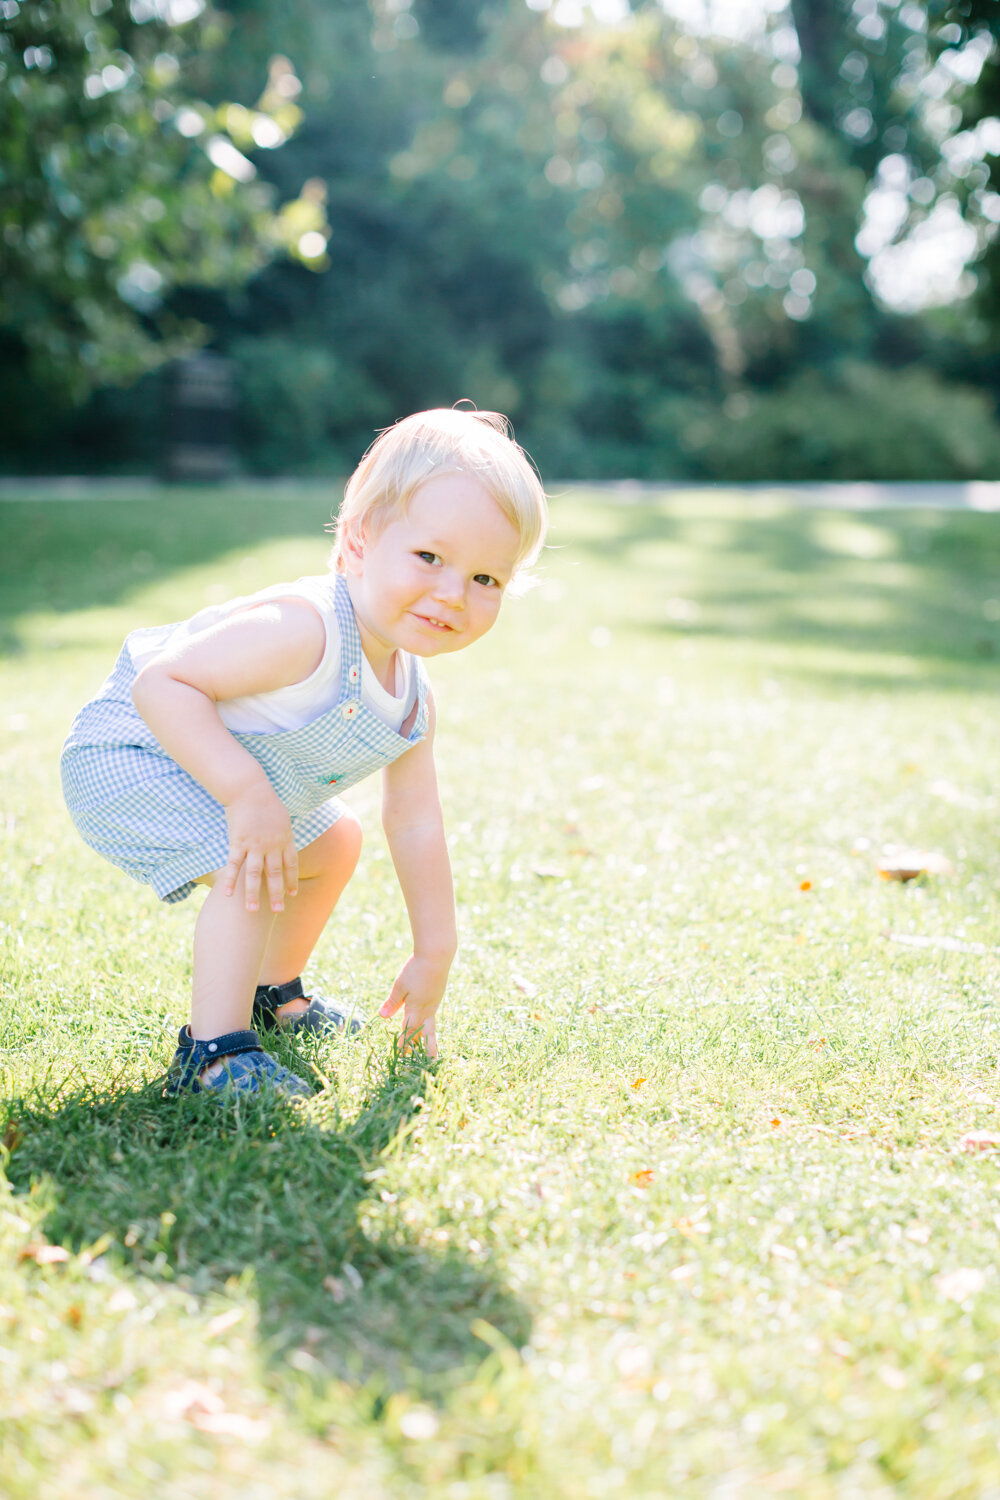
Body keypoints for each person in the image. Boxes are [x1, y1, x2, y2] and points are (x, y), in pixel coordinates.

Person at [61, 408, 548, 1100]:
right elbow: (162, 685)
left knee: (333, 841)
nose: (451, 593)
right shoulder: (305, 627)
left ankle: (273, 995)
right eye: (430, 558)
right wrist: (245, 795)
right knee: (253, 861)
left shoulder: (412, 699)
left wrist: (435, 947)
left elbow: (415, 822)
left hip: (220, 776)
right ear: (357, 541)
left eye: (485, 580)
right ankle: (212, 1057)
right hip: (133, 751)